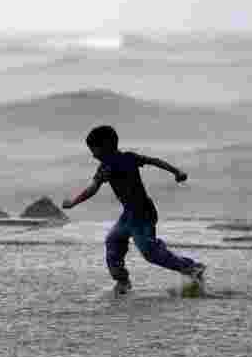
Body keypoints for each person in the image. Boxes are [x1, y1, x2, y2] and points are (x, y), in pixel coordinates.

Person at [62, 125, 206, 295]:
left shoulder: (128, 158)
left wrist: (176, 171)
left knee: (150, 252)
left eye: (94, 150)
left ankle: (191, 267)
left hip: (143, 213)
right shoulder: (104, 168)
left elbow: (154, 161)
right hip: (128, 215)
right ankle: (122, 282)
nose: (93, 155)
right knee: (113, 242)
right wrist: (74, 202)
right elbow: (92, 189)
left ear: (107, 145)